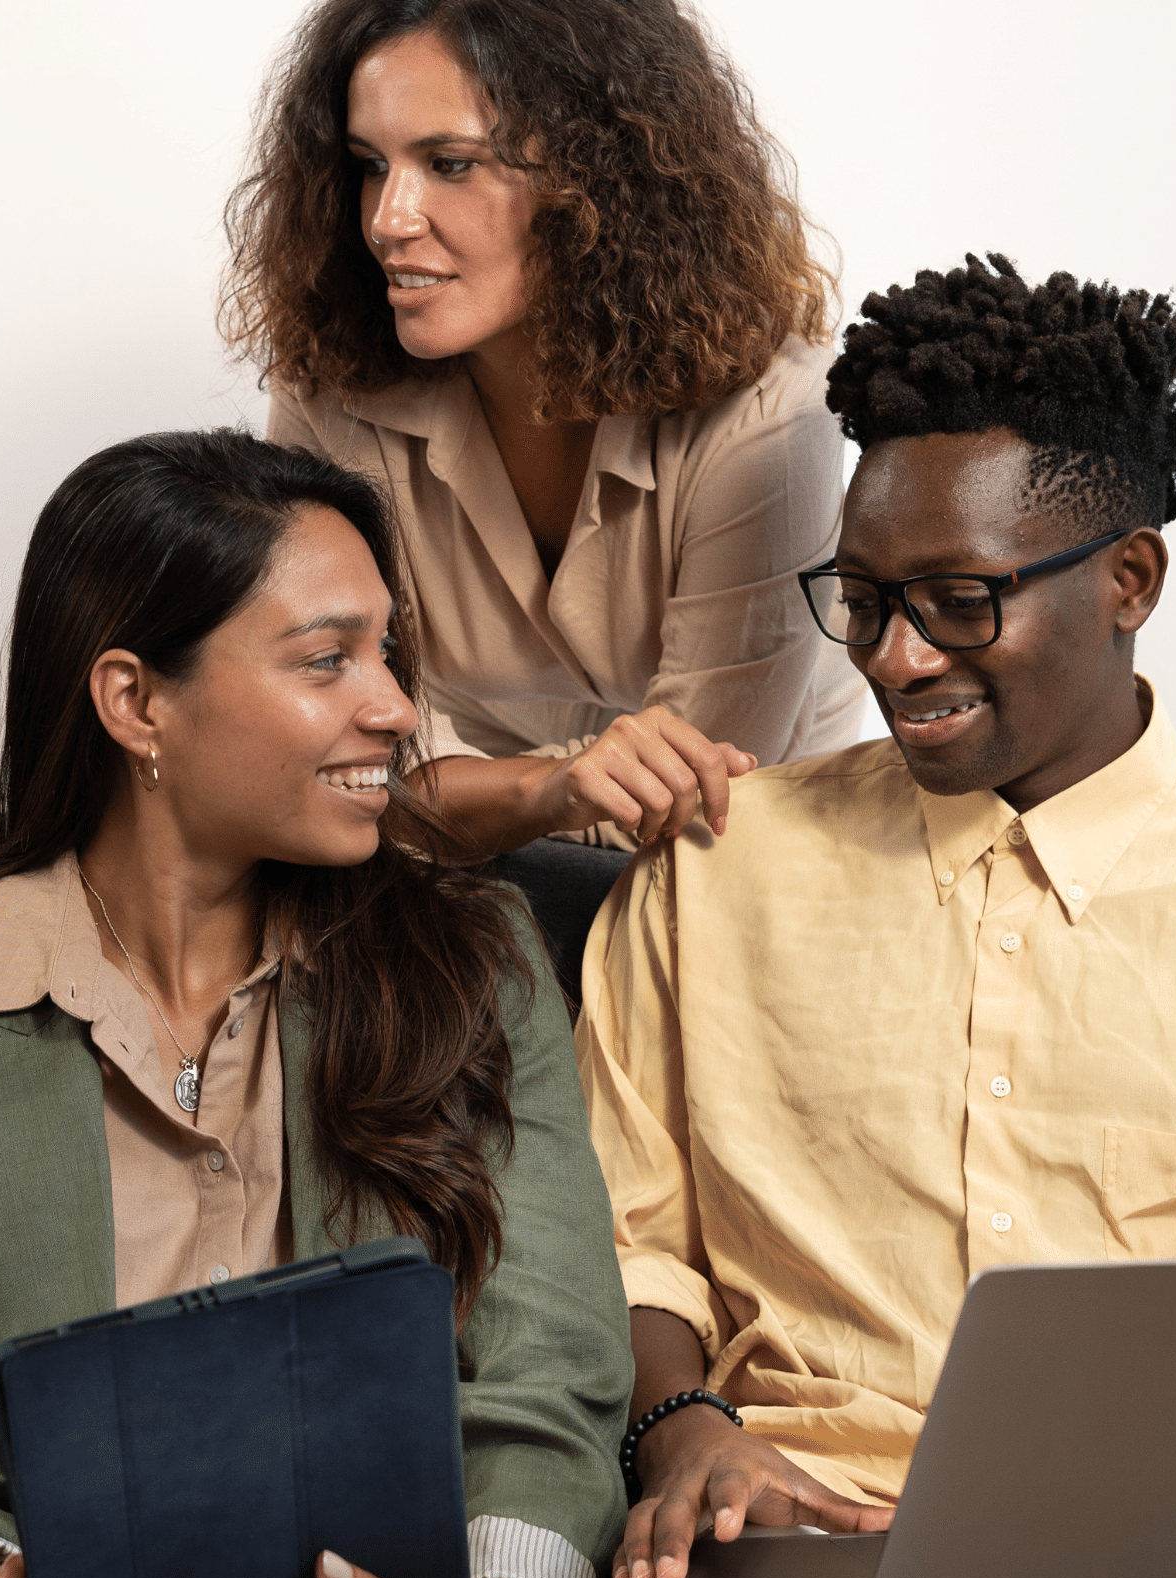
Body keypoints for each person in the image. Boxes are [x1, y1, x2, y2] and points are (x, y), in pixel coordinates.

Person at [574, 255, 1176, 1578]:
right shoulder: (710, 872)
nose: (896, 655)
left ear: (1130, 581)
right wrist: (681, 1428)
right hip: (796, 1536)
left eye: (959, 599)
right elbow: (622, 1226)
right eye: (862, 600)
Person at [0, 430, 632, 1578]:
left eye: (388, 653)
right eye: (325, 660)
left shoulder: (478, 963)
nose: (391, 708)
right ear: (135, 702)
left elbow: (551, 1382)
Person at [222, 0, 865, 982]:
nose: (388, 219)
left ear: (596, 179)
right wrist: (550, 788)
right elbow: (333, 760)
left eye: (449, 163)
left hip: (754, 885)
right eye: (368, 165)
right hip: (457, 871)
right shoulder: (330, 390)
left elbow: (697, 795)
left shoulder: (772, 425)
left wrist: (453, 792)